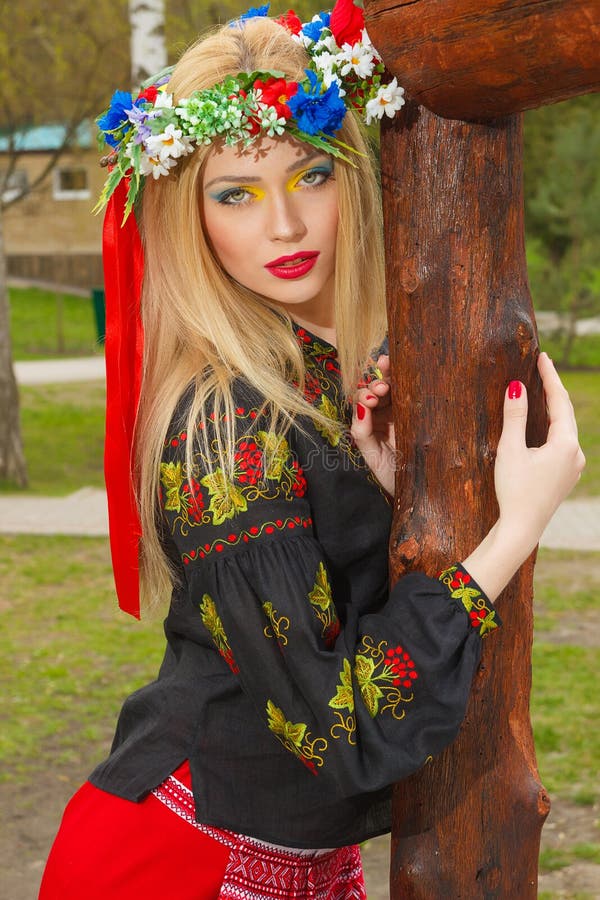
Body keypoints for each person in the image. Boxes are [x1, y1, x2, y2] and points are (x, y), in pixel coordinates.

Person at [39, 2, 585, 898]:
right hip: (178, 865)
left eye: (311, 176)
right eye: (236, 193)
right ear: (191, 216)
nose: (285, 226)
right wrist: (511, 532)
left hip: (290, 865)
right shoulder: (223, 424)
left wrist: (372, 487)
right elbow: (338, 729)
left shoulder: (317, 376)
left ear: (353, 179)